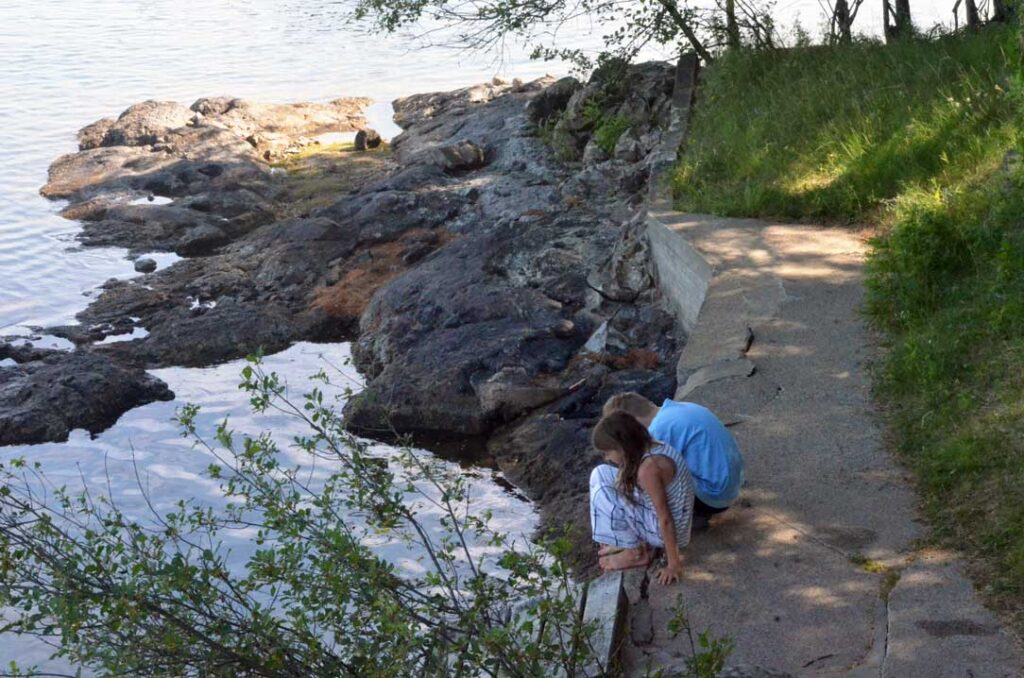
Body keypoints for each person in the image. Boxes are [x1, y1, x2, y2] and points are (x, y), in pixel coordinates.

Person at [603, 392, 744, 529]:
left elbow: (648, 474)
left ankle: (688, 517)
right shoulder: (681, 407)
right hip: (732, 484)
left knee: (650, 475)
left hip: (714, 497)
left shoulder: (658, 430)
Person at [589, 411, 695, 585]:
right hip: (664, 518)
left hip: (671, 530)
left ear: (622, 447)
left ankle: (635, 552)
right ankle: (623, 540)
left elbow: (665, 519)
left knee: (603, 493)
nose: (606, 457)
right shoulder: (653, 445)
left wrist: (673, 564)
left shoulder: (648, 470)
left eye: (608, 452)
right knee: (599, 473)